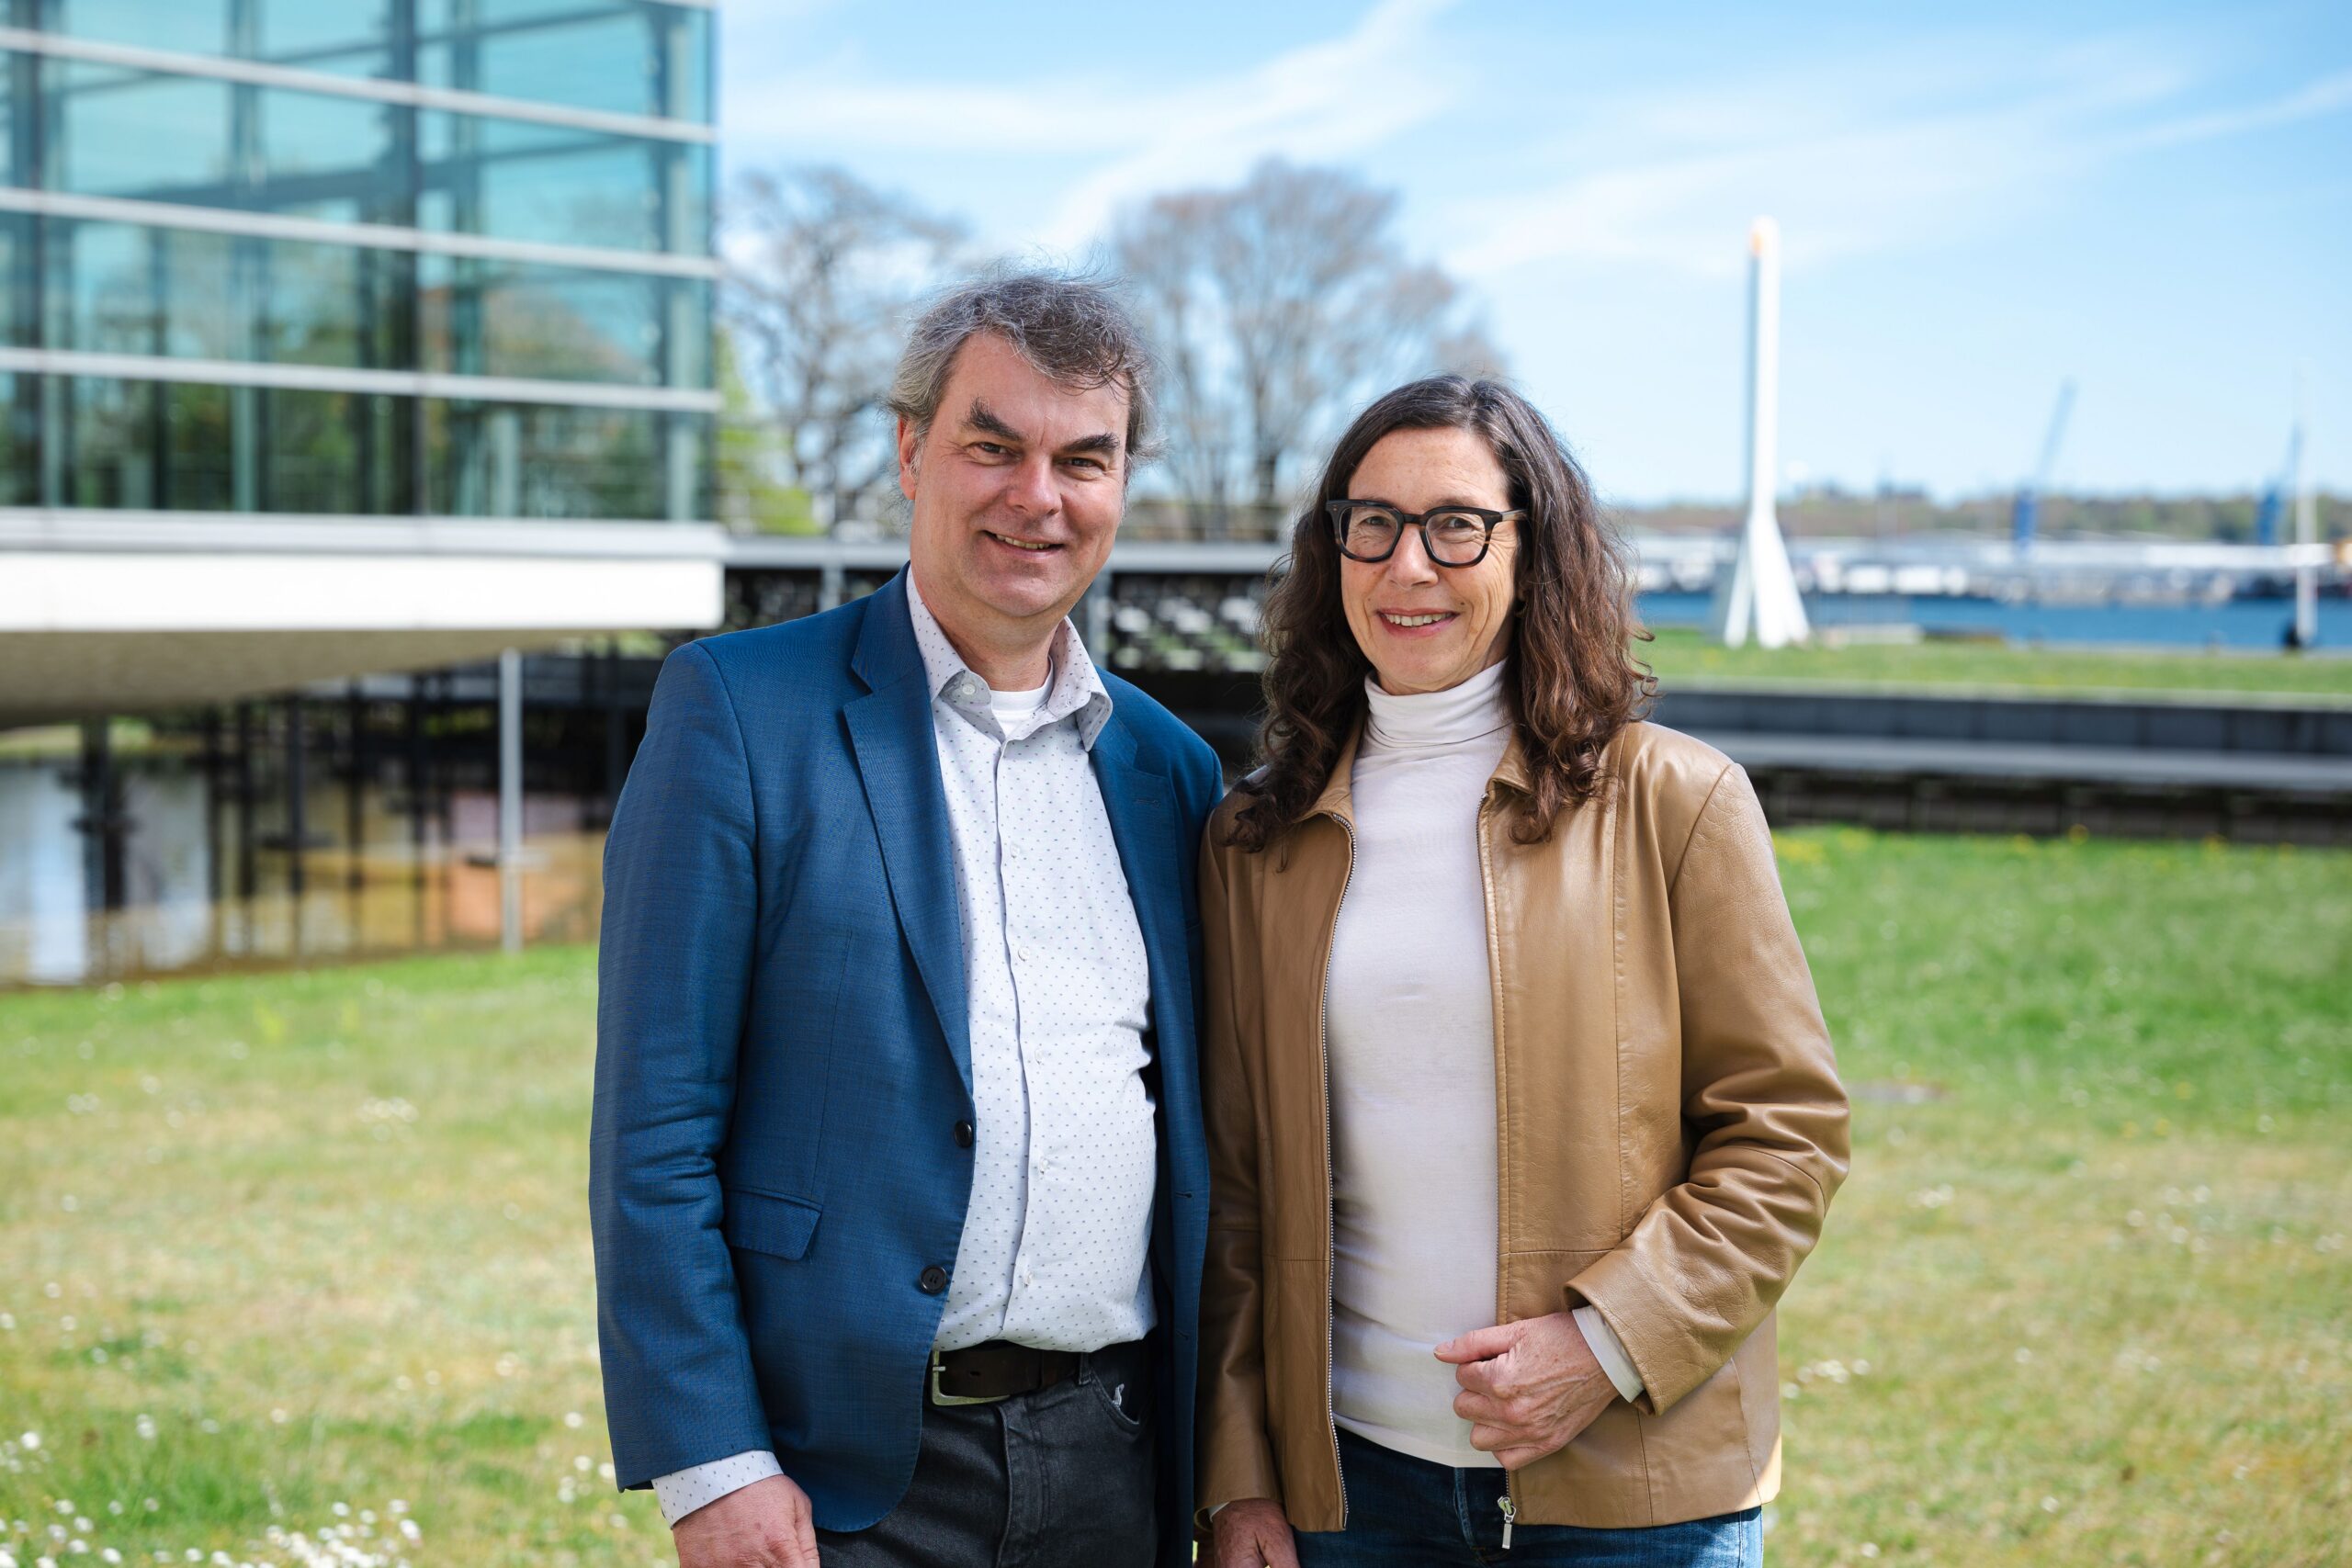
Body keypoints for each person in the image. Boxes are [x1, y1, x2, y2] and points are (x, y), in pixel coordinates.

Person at [591, 271, 1226, 1568]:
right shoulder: (739, 712)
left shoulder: (1171, 774)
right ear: (909, 452)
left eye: (1081, 459)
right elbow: (655, 1125)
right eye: (992, 446)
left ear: (1119, 486)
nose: (1035, 496)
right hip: (846, 1483)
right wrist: (714, 1465)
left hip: (1120, 1464)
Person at [1196, 377, 1849, 1567]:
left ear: (1532, 546)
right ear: (1331, 547)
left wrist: (1605, 1344)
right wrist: (1240, 1479)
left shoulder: (1675, 803)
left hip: (1634, 1487)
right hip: (1350, 1490)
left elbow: (1786, 1135)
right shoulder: (1260, 841)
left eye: (1457, 524)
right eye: (1372, 522)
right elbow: (1235, 1192)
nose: (1409, 565)